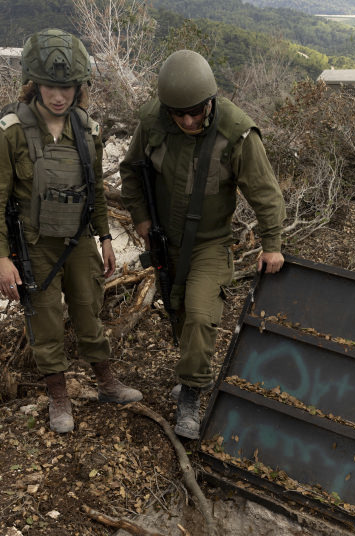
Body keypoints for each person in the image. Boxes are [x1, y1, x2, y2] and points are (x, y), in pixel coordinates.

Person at [119, 50, 286, 439]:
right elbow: (130, 170)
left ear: (210, 100)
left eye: (197, 111)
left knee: (199, 313)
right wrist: (142, 218)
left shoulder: (235, 132)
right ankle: (190, 372)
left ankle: (191, 394)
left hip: (210, 242)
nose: (190, 120)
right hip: (166, 238)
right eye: (180, 114)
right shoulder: (153, 122)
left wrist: (272, 243)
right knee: (177, 310)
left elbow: (265, 192)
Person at [0, 28, 141, 434]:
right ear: (34, 84)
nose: (59, 95)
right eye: (51, 86)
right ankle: (58, 396)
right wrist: (2, 260)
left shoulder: (87, 130)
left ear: (79, 88)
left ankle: (106, 382)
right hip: (36, 243)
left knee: (90, 310)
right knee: (47, 321)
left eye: (67, 87)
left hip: (78, 241)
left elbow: (97, 192)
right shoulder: (11, 131)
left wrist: (105, 238)